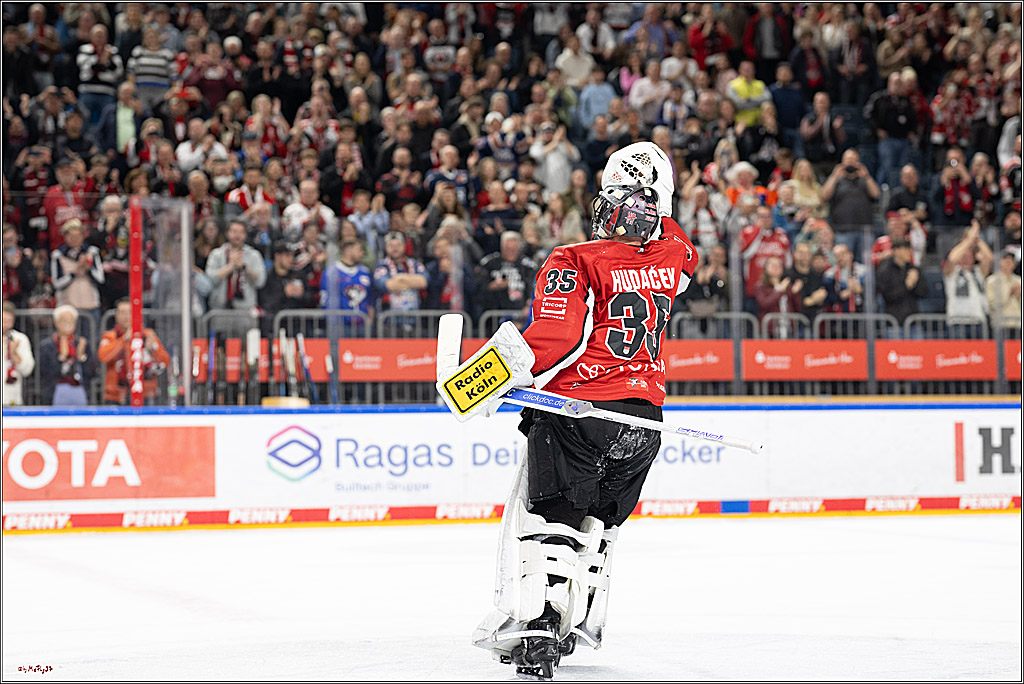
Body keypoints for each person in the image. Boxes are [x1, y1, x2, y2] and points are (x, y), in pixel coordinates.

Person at [472, 142, 697, 679]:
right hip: (644, 420)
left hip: (579, 411)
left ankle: (540, 630)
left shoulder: (572, 259)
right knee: (599, 524)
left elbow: (551, 339)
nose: (610, 210)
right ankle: (580, 621)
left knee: (550, 520)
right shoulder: (674, 256)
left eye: (619, 200)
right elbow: (677, 245)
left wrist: (478, 380)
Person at [97, 298, 171, 405]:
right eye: (122, 312)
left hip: (145, 393)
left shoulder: (147, 334)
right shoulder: (110, 336)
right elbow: (103, 356)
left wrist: (153, 348)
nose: (126, 316)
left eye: (130, 312)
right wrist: (123, 340)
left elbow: (165, 362)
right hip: (116, 395)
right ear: (116, 316)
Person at [205, 219, 268, 315]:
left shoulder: (254, 255)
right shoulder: (216, 254)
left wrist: (244, 267)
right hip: (219, 308)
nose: (237, 235)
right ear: (227, 233)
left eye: (241, 232)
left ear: (245, 235)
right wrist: (231, 266)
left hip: (246, 308)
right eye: (234, 231)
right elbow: (210, 279)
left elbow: (260, 281)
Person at [39, 304, 98, 406]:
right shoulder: (47, 345)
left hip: (80, 389)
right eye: (64, 320)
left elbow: (92, 373)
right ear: (56, 322)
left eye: (71, 320)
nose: (68, 324)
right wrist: (61, 358)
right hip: (54, 391)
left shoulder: (82, 343)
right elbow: (44, 373)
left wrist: (82, 357)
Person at [943, 222, 993, 322]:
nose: (966, 258)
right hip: (956, 319)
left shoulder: (978, 272)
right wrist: (968, 240)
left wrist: (977, 238)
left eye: (969, 256)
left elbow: (989, 258)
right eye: (963, 256)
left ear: (973, 258)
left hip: (977, 320)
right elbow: (952, 258)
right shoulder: (952, 272)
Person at [875, 237, 928, 325]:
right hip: (894, 321)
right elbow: (888, 296)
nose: (908, 252)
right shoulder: (885, 270)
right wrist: (907, 285)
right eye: (905, 249)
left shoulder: (913, 269)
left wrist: (914, 283)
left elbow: (923, 293)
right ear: (896, 251)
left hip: (913, 320)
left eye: (909, 249)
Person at [2, 301, 35, 406]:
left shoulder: (20, 339)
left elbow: (27, 370)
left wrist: (13, 352)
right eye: (3, 320)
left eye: (9, 321)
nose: (5, 325)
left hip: (12, 398)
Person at [986, 250, 1023, 329]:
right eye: (1005, 259)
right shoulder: (992, 281)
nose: (1008, 262)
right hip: (1001, 324)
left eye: (1011, 260)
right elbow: (992, 304)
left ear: (1014, 264)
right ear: (999, 262)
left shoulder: (1019, 281)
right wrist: (1009, 294)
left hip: (1018, 323)